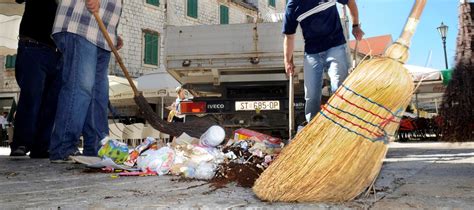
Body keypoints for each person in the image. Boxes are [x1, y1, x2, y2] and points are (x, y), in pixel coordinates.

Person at [49, 0, 123, 163]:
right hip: (81, 24)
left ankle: (96, 147)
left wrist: (113, 32)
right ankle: (63, 147)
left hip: (102, 33)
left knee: (99, 94)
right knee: (80, 87)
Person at [283, 0, 364, 123]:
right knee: (311, 96)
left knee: (339, 88)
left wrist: (355, 25)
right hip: (312, 54)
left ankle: (341, 125)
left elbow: (349, 2)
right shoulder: (293, 5)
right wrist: (288, 60)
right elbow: (289, 36)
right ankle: (313, 128)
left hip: (335, 46)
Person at [9, 0, 61, 158]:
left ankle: (41, 146)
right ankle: (21, 143)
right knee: (31, 97)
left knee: (51, 103)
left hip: (56, 52)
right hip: (33, 46)